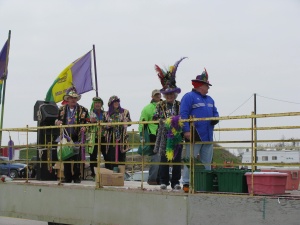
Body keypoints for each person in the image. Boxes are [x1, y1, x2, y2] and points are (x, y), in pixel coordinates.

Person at [180, 68, 219, 190]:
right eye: (207, 85)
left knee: (207, 161)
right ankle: (186, 183)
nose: (208, 88)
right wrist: (186, 130)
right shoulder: (188, 97)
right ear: (200, 86)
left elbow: (216, 112)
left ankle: (204, 182)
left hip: (207, 135)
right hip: (194, 134)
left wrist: (215, 118)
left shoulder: (210, 99)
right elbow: (183, 114)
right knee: (189, 159)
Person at [153, 57, 186, 190]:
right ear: (165, 95)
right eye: (167, 95)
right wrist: (165, 122)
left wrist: (177, 123)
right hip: (164, 135)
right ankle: (164, 181)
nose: (170, 96)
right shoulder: (160, 105)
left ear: (175, 95)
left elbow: (183, 117)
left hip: (177, 135)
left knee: (177, 159)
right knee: (164, 159)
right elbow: (155, 118)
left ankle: (176, 182)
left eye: (172, 94)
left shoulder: (179, 104)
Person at [55, 88, 89, 183]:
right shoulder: (61, 109)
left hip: (77, 136)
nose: (73, 100)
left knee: (77, 158)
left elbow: (88, 122)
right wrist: (57, 122)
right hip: (65, 137)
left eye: (75, 98)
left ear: (77, 99)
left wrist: (85, 127)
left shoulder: (83, 110)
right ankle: (67, 177)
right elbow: (56, 120)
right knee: (66, 157)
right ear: (67, 99)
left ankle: (77, 177)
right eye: (71, 98)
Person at [138, 89, 162, 185]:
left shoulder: (165, 106)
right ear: (152, 96)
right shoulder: (147, 108)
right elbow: (141, 123)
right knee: (156, 158)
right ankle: (152, 179)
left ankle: (160, 179)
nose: (158, 97)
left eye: (159, 95)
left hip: (165, 134)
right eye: (156, 95)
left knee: (164, 158)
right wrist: (142, 137)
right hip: (153, 135)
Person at [103, 95, 131, 170]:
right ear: (110, 103)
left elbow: (130, 122)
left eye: (117, 101)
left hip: (122, 137)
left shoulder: (125, 112)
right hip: (111, 138)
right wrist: (107, 125)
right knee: (112, 156)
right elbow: (102, 125)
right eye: (114, 102)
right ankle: (112, 174)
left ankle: (121, 175)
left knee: (122, 156)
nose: (116, 103)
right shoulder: (106, 114)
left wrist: (126, 122)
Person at [87, 97, 107, 179]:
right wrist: (90, 122)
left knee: (107, 155)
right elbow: (86, 124)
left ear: (101, 104)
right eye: (96, 103)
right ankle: (94, 173)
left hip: (104, 136)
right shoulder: (89, 114)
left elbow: (108, 122)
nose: (97, 104)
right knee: (93, 156)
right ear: (93, 104)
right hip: (93, 137)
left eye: (99, 103)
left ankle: (107, 172)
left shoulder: (105, 113)